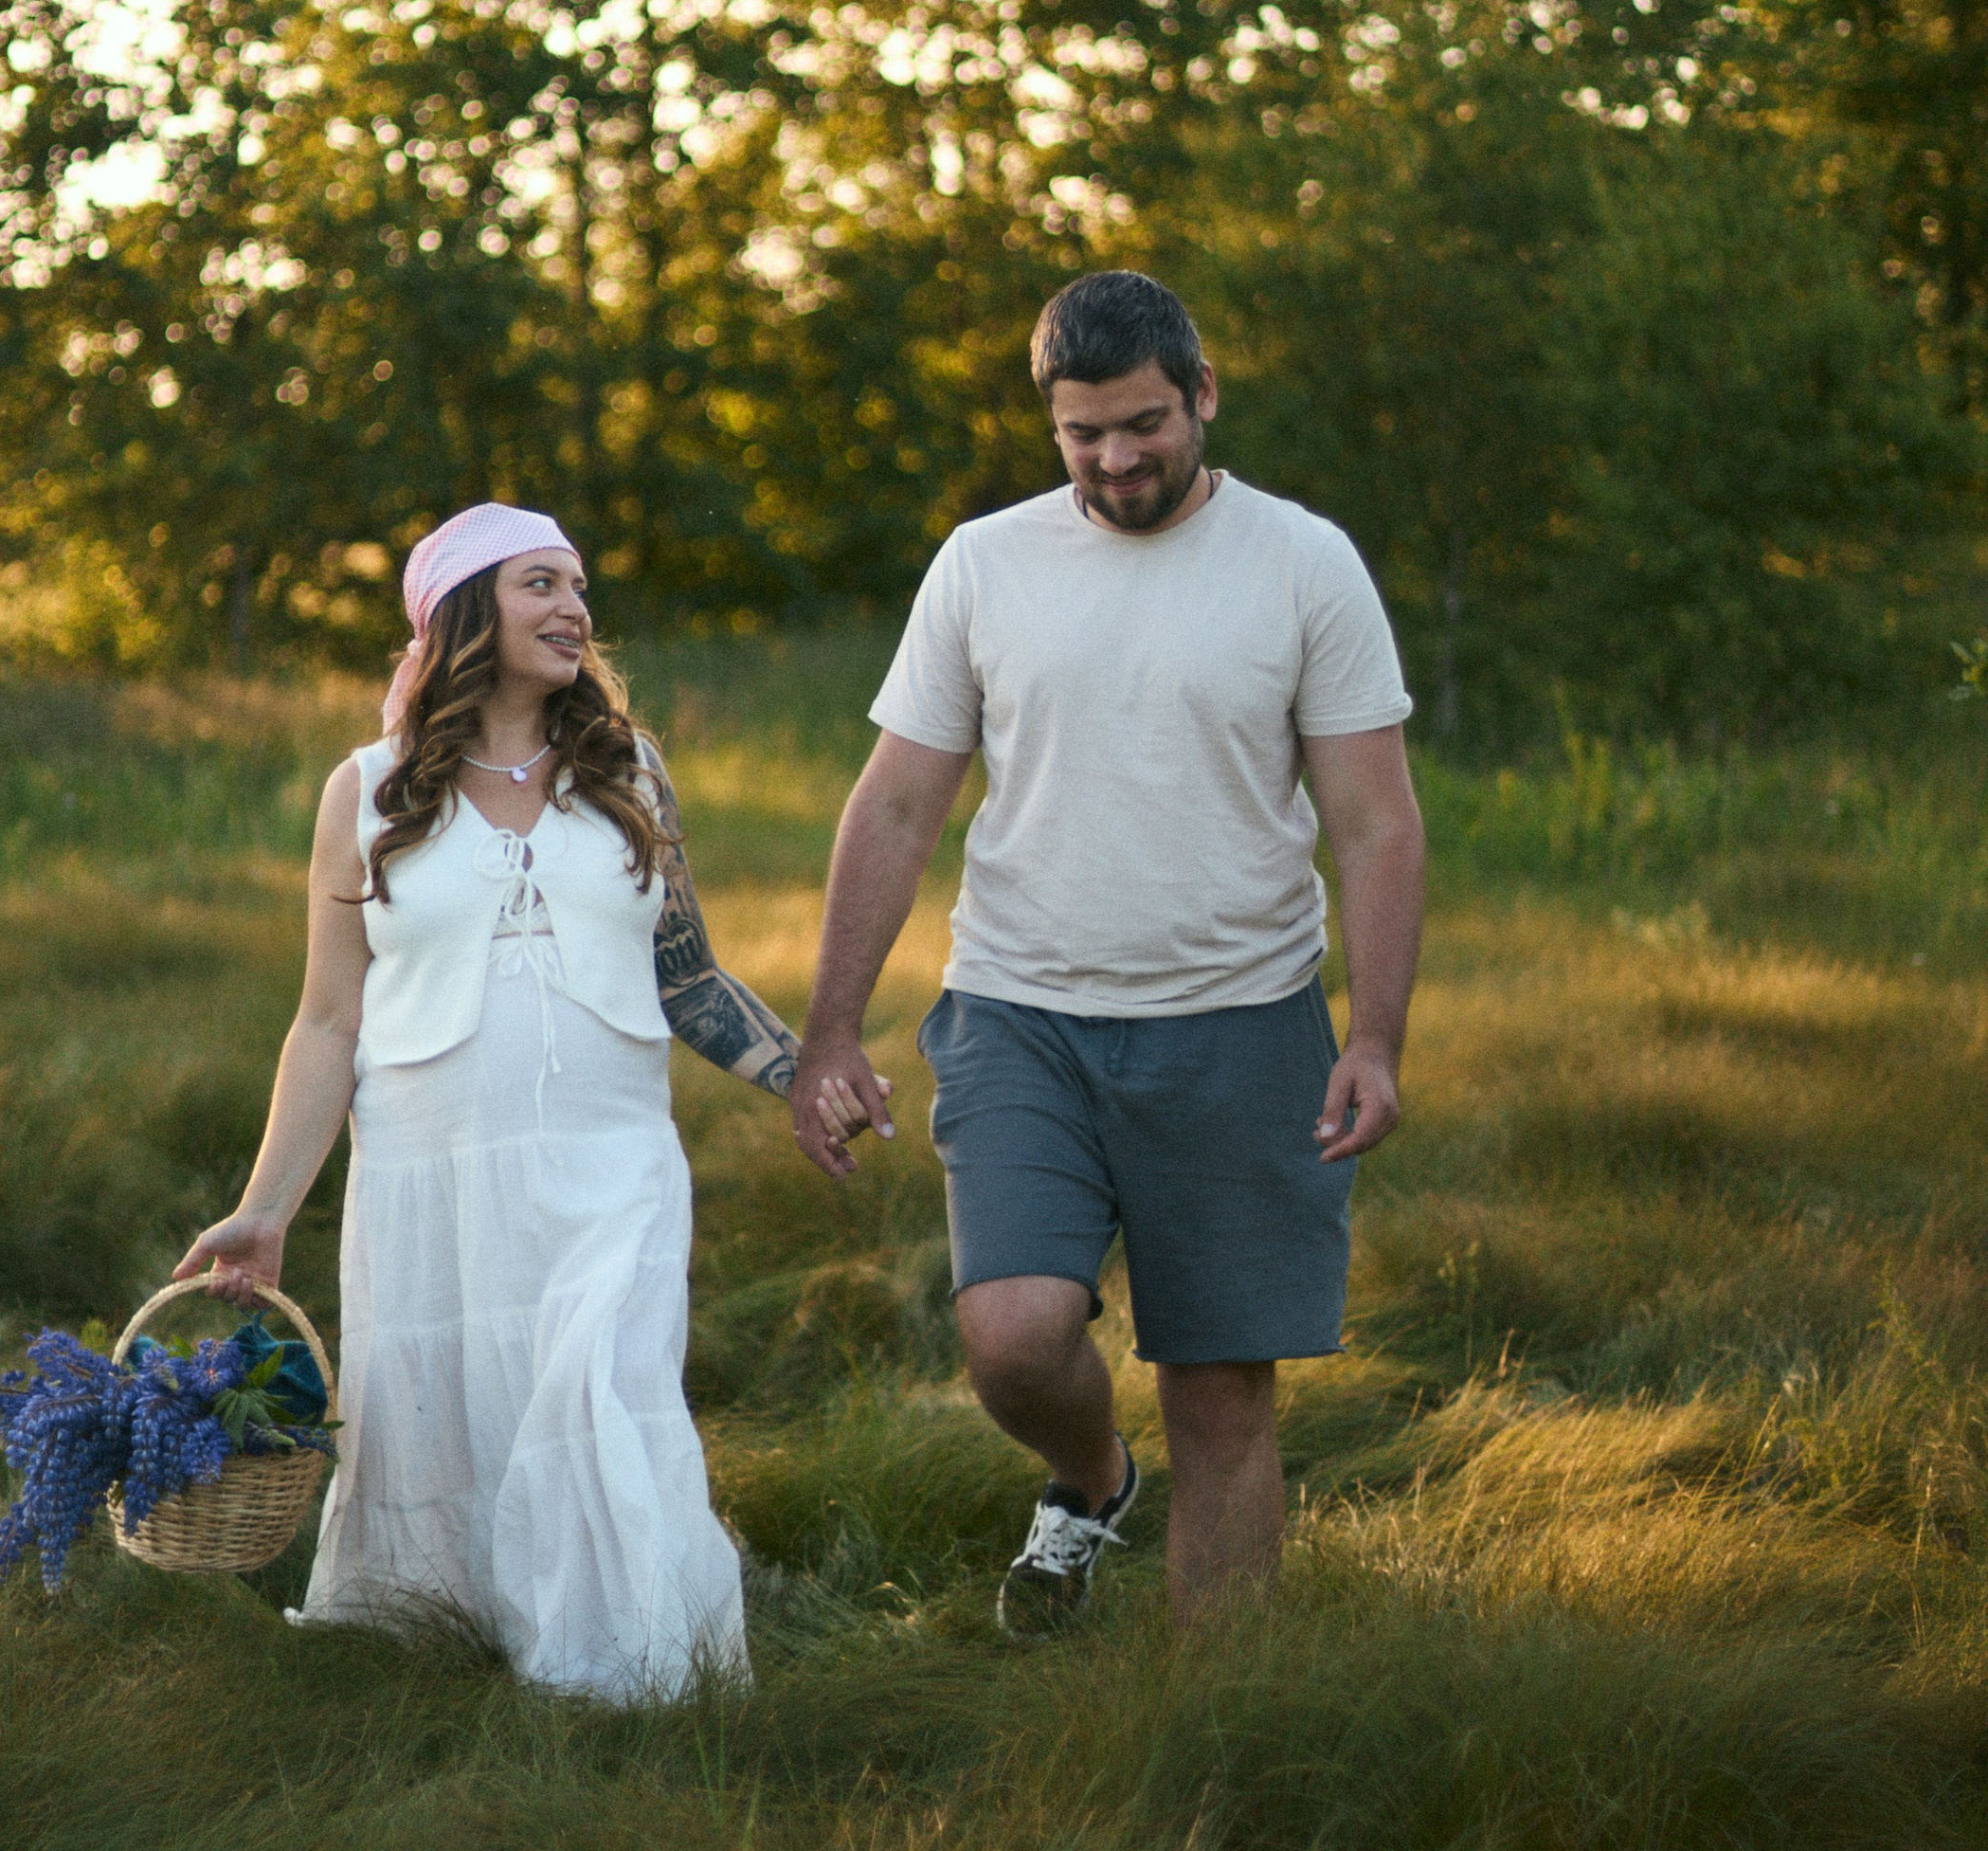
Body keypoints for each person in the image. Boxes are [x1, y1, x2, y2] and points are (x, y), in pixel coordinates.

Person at [787, 272, 1425, 1640]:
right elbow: (897, 803)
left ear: (1201, 394)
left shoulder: (1303, 563)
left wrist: (1373, 1034)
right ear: (1052, 422)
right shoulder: (983, 563)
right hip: (1024, 1013)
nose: (1117, 458)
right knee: (1013, 1335)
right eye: (1085, 434)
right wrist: (830, 1029)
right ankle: (1092, 1478)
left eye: (1143, 424)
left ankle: (1207, 1732)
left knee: (1221, 1395)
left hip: (1243, 1026)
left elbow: (1375, 822)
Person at [179, 502, 814, 1700]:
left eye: (578, 586)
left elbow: (687, 975)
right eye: (540, 584)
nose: (575, 608)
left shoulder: (629, 771)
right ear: (466, 611)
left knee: (603, 1391)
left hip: (611, 1154)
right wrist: (266, 1210)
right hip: (432, 1163)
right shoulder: (365, 793)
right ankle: (451, 1641)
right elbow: (327, 1023)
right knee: (450, 1414)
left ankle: (626, 1684)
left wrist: (807, 1073)